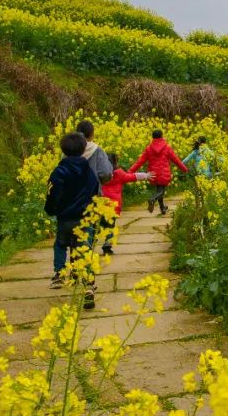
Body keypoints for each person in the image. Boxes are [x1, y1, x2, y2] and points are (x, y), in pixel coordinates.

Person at [44, 132, 100, 309]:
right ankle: (88, 283)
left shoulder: (59, 171)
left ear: (63, 150)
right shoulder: (88, 171)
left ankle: (59, 274)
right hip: (84, 217)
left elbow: (53, 193)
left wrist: (51, 209)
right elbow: (94, 190)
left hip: (65, 218)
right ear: (84, 148)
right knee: (84, 248)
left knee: (61, 244)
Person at [99, 152, 153, 255]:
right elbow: (132, 177)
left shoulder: (100, 173)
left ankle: (89, 244)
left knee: (99, 225)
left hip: (100, 204)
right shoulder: (119, 173)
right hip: (113, 206)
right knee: (110, 227)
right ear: (115, 162)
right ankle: (107, 248)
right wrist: (146, 176)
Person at [129, 129, 188, 215]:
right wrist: (184, 169)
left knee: (159, 190)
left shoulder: (149, 149)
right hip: (164, 173)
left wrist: (130, 171)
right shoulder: (167, 147)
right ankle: (152, 199)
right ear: (162, 136)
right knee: (161, 192)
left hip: (153, 174)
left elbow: (140, 161)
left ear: (152, 137)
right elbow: (176, 160)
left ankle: (162, 208)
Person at [76, 119, 113, 247]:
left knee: (74, 229)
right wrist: (100, 182)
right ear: (92, 134)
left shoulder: (68, 148)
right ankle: (86, 263)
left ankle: (75, 262)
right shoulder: (97, 150)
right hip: (91, 195)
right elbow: (106, 173)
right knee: (89, 226)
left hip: (71, 195)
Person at [182, 136, 216, 210]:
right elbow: (214, 157)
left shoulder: (195, 151)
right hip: (208, 174)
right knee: (208, 189)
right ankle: (207, 206)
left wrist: (182, 167)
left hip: (199, 175)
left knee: (198, 190)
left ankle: (197, 206)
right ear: (205, 142)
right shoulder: (208, 150)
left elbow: (185, 161)